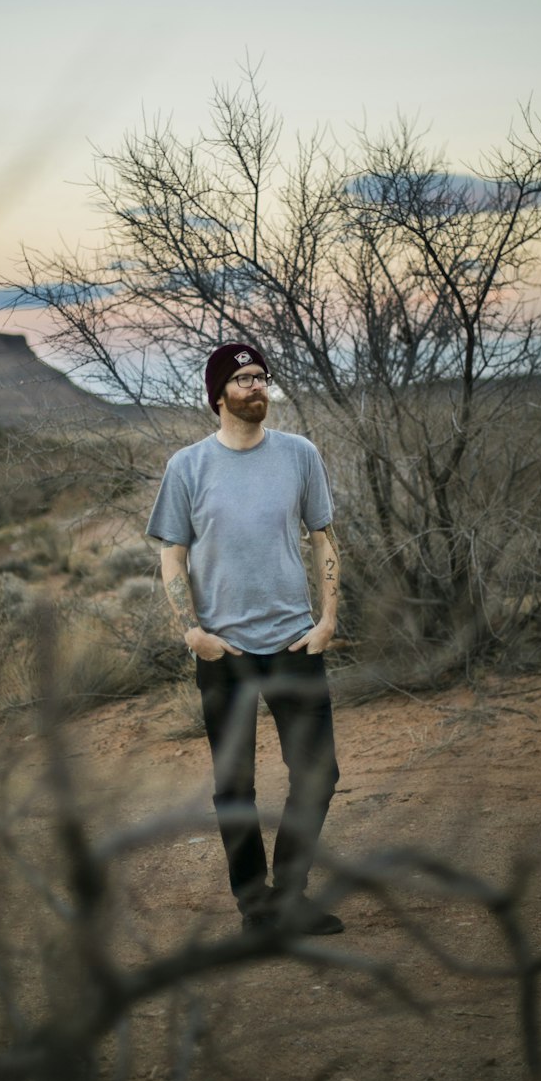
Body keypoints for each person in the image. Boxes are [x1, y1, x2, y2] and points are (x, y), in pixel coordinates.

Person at [146, 341, 343, 936]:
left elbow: (324, 539)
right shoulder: (188, 467)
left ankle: (290, 895)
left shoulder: (299, 455)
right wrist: (191, 633)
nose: (258, 387)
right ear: (218, 395)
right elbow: (172, 557)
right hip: (224, 651)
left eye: (262, 377)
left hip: (293, 641)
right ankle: (255, 907)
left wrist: (328, 618)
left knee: (318, 772)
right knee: (235, 785)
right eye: (244, 379)